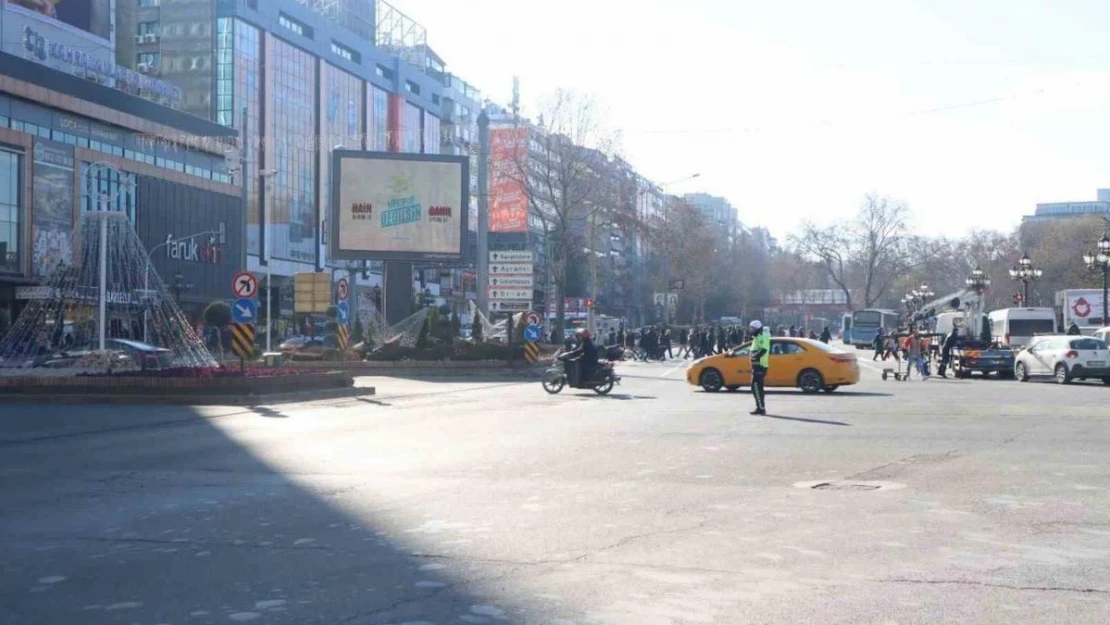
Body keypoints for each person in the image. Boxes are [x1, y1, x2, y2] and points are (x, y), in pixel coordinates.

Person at [749, 320, 771, 415]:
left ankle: (761, 408)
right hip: (756, 365)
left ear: (757, 328)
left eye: (752, 328)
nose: (751, 330)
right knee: (757, 387)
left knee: (756, 387)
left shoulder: (763, 337)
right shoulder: (757, 337)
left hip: (760, 365)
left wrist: (755, 356)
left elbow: (764, 349)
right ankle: (760, 407)